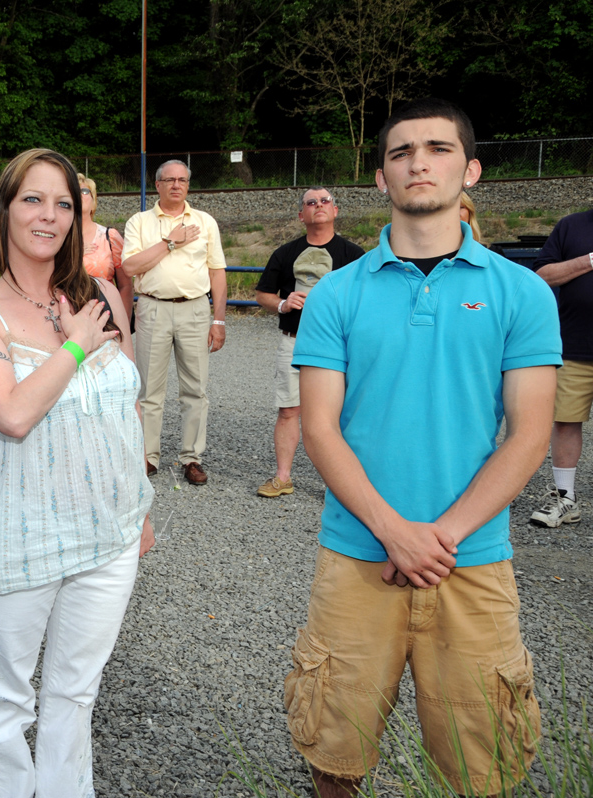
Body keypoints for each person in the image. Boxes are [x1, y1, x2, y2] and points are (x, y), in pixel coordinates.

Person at [288, 98, 558, 797]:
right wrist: (392, 533)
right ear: (380, 176)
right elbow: (319, 428)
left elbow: (530, 433)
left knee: (481, 768)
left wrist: (438, 537)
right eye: (402, 151)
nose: (418, 162)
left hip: (473, 563)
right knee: (333, 757)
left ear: (469, 169)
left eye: (438, 148)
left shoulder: (522, 293)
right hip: (355, 559)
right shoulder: (335, 294)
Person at [0, 148, 155, 796]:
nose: (50, 215)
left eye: (63, 202)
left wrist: (142, 508)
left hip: (110, 537)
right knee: (6, 701)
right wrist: (74, 347)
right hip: (21, 534)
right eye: (33, 199)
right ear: (4, 209)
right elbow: (10, 414)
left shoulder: (101, 299)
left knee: (75, 693)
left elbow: (127, 409)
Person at [253, 187, 363, 498]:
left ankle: (340, 483)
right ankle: (282, 477)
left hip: (338, 345)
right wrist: (283, 304)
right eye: (310, 203)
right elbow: (263, 294)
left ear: (335, 210)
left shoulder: (354, 256)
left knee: (339, 413)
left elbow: (368, 298)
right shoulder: (285, 253)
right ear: (302, 215)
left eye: (324, 201)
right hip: (294, 341)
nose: (318, 206)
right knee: (289, 410)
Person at [122, 160, 227, 484]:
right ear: (157, 185)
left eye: (182, 180)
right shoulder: (139, 222)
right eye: (169, 180)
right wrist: (171, 242)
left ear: (188, 185)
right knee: (150, 390)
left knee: (195, 389)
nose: (176, 185)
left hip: (194, 309)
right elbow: (130, 266)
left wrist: (219, 320)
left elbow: (217, 272)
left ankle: (191, 458)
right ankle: (148, 457)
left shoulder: (205, 222)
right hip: (153, 307)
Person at [526, 207, 593, 527]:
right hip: (575, 346)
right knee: (566, 422)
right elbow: (541, 275)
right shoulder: (571, 226)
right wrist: (589, 260)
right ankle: (566, 499)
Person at [77, 173, 133, 321]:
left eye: (84, 191)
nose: (79, 195)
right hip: (67, 317)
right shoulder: (56, 237)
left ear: (93, 200)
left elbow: (126, 285)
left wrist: (123, 322)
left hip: (105, 317)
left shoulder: (110, 236)